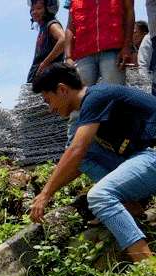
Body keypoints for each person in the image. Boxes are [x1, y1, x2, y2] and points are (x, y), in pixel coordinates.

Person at [31, 63, 156, 262]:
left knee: (99, 195)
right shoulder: (91, 104)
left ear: (62, 90)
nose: (50, 109)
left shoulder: (95, 98)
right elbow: (77, 157)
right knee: (84, 154)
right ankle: (129, 206)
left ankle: (147, 265)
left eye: (49, 101)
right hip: (143, 156)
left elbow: (76, 151)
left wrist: (46, 194)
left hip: (151, 155)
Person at [64, 0, 133, 86]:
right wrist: (68, 57)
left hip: (113, 51)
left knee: (113, 94)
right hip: (83, 54)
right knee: (81, 96)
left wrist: (127, 47)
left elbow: (129, 13)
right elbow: (70, 26)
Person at [27, 0, 66, 83]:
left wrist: (45, 63)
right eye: (32, 9)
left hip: (48, 77)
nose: (34, 12)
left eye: (39, 8)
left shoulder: (51, 24)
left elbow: (63, 40)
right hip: (39, 77)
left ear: (48, 9)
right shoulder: (43, 27)